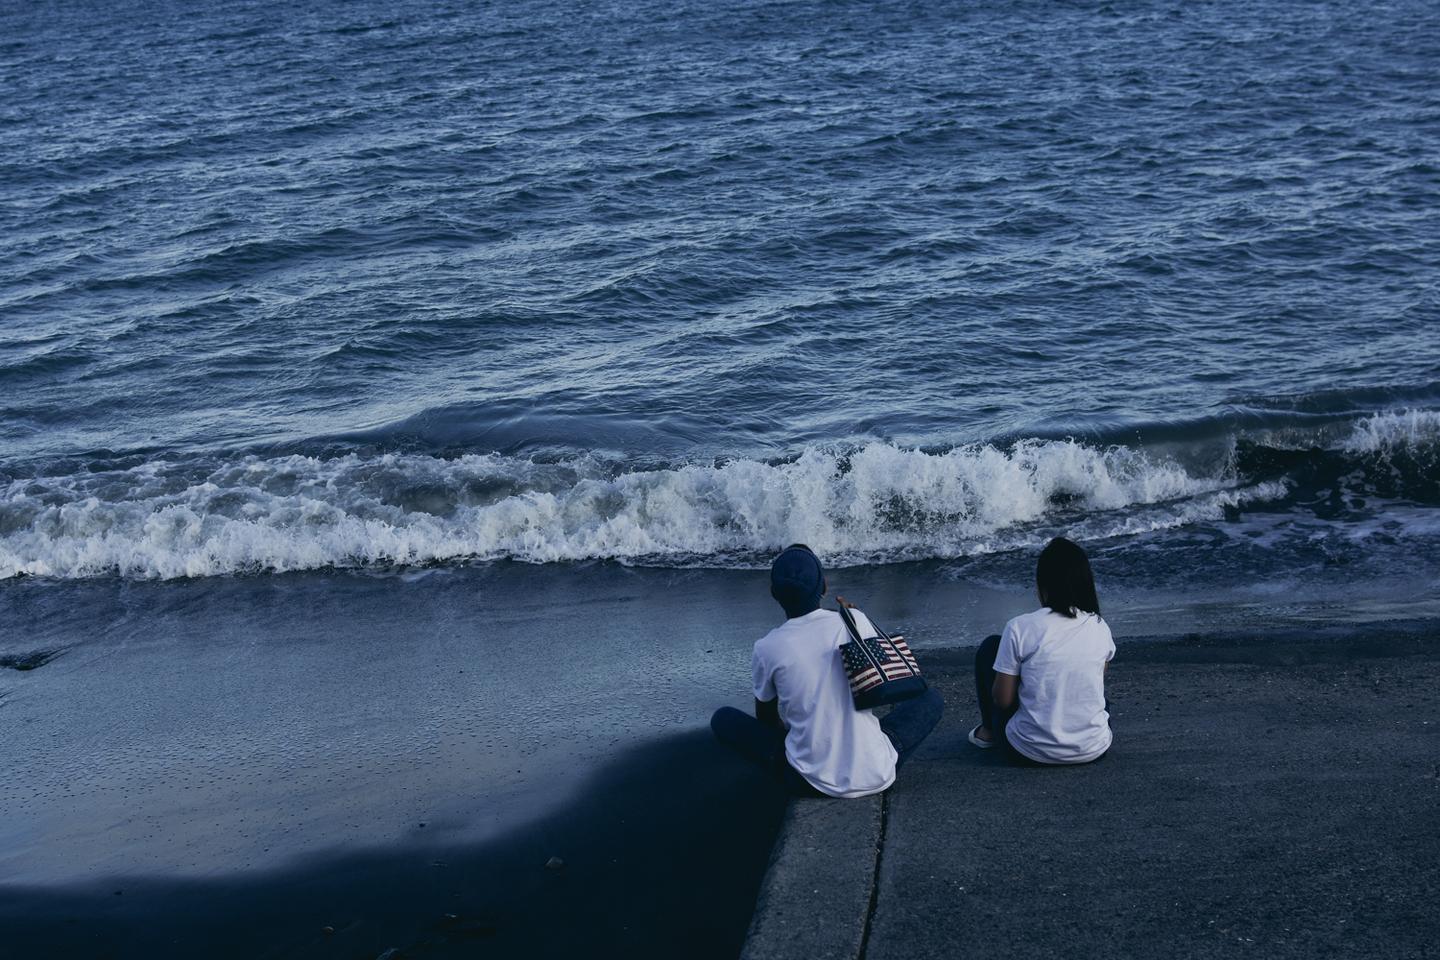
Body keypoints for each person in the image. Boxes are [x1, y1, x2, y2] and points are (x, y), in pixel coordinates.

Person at [711, 544, 944, 797]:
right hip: (878, 769)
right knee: (931, 700)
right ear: (824, 587)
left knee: (722, 718)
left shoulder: (767, 648)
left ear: (773, 593)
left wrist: (800, 736)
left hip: (808, 781)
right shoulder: (853, 620)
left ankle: (801, 757)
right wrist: (852, 614)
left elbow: (766, 717)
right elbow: (883, 682)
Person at [970, 536, 1114, 765]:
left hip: (1028, 751)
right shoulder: (1099, 626)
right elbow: (1096, 679)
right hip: (1093, 748)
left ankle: (988, 732)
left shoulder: (1020, 627)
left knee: (991, 647)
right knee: (1096, 697)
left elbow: (1003, 701)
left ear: (1042, 584)